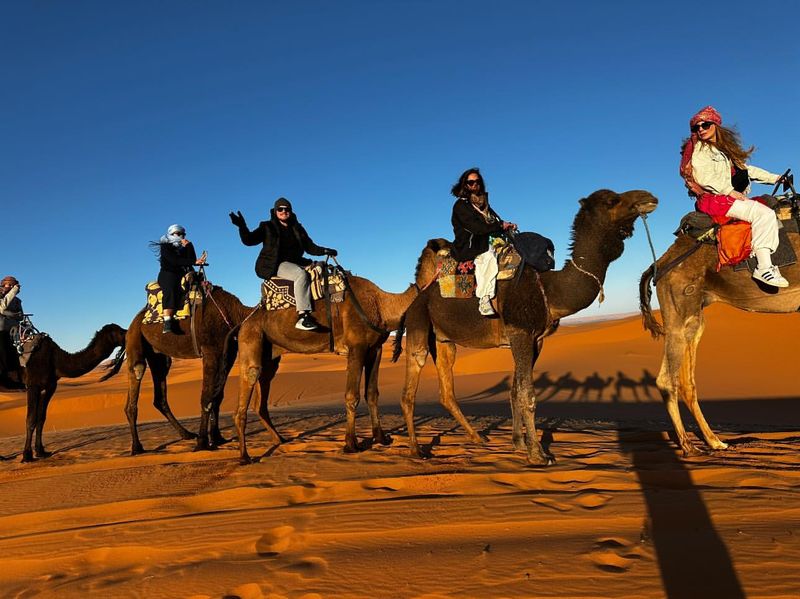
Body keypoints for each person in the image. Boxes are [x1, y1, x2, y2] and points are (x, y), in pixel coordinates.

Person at [680, 105, 789, 288]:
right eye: (696, 127)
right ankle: (764, 267)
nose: (700, 129)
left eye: (705, 125)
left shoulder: (723, 150)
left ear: (715, 125)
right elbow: (703, 176)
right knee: (764, 214)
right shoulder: (700, 149)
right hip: (714, 200)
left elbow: (748, 171)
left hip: (724, 197)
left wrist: (776, 178)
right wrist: (729, 191)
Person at [229, 197, 338, 331]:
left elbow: (310, 247)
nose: (283, 211)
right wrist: (242, 226)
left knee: (322, 268)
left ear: (291, 211)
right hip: (275, 264)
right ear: (275, 211)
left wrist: (325, 250)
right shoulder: (267, 227)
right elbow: (249, 240)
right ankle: (303, 316)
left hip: (296, 262)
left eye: (287, 209)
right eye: (280, 209)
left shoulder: (298, 228)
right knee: (301, 275)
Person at [450, 168, 516, 316]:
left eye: (477, 182)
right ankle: (484, 300)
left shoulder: (483, 204)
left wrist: (506, 225)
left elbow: (494, 220)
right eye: (471, 182)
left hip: (486, 240)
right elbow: (477, 228)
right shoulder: (461, 206)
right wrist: (499, 226)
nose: (475, 185)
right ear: (465, 185)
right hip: (469, 245)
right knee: (488, 257)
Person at [155, 224, 207, 334]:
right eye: (178, 234)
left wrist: (189, 246)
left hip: (184, 274)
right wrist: (194, 262)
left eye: (183, 234)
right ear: (171, 234)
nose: (181, 236)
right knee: (171, 289)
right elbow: (174, 261)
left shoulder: (183, 247)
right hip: (168, 274)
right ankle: (167, 321)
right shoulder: (165, 247)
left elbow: (191, 259)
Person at [0, 275, 25, 389]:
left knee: (14, 356)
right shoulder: (2, 295)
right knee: (3, 356)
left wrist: (13, 315)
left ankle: (15, 381)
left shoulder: (17, 301)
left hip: (12, 331)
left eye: (12, 285)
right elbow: (1, 307)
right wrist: (7, 313)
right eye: (8, 284)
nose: (10, 287)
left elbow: (20, 316)